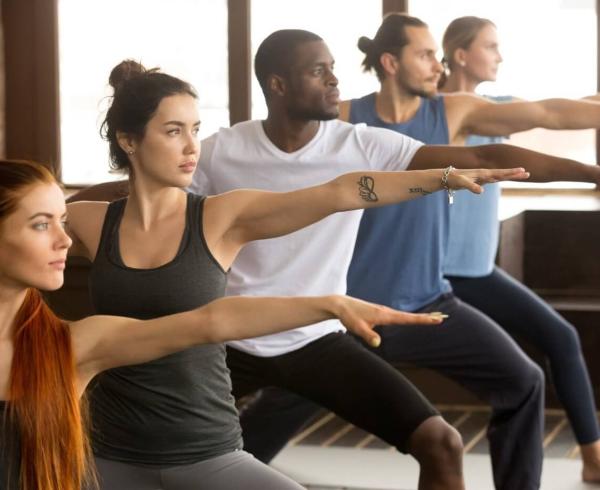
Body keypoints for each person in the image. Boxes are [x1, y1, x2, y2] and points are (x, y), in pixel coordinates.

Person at [63, 59, 516, 490]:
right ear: (129, 140)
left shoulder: (222, 217)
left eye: (196, 130)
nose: (191, 148)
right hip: (108, 452)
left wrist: (443, 177)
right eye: (173, 131)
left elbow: (341, 191)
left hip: (206, 448)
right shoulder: (87, 222)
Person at [190, 29, 600, 490]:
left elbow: (496, 144)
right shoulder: (221, 152)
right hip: (246, 332)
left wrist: (590, 173)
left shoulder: (362, 142)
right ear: (278, 84)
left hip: (336, 330)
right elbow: (147, 196)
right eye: (318, 70)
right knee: (201, 450)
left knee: (454, 433)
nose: (332, 81)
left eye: (333, 69)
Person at [0, 159, 449, 490]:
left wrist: (329, 304)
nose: (64, 238)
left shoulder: (74, 345)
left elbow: (210, 321)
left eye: (62, 221)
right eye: (42, 225)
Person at [438, 15, 600, 483]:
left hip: (476, 272)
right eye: (491, 46)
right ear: (461, 53)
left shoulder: (496, 111)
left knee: (560, 338)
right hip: (438, 276)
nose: (500, 55)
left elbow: (564, 109)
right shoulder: (433, 112)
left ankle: (592, 457)